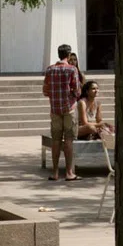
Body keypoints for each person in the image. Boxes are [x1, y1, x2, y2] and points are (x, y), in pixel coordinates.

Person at [43, 44, 82, 181]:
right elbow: (77, 91)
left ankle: (54, 173)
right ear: (69, 54)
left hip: (54, 109)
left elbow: (45, 91)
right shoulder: (72, 70)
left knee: (55, 140)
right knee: (69, 141)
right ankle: (69, 172)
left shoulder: (50, 70)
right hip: (69, 108)